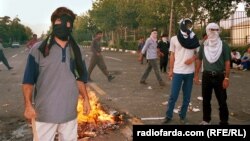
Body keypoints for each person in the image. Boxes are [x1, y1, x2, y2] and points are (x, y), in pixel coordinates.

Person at [22, 7, 91, 140]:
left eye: (67, 21)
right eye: (59, 20)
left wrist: (86, 99)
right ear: (53, 23)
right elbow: (28, 82)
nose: (64, 24)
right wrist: (28, 105)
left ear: (71, 25)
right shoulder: (38, 50)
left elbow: (79, 79)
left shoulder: (77, 51)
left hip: (69, 115)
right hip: (44, 116)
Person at [163, 18, 199, 124]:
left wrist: (192, 59)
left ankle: (182, 116)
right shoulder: (174, 39)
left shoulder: (193, 38)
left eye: (190, 25)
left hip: (189, 72)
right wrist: (171, 70)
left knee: (187, 97)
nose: (188, 27)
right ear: (182, 25)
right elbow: (172, 55)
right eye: (186, 25)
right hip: (178, 71)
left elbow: (199, 54)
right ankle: (168, 116)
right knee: (173, 95)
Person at [194, 23, 230, 125]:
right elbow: (199, 60)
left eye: (215, 30)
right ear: (207, 31)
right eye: (211, 30)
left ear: (218, 31)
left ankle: (224, 121)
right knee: (206, 100)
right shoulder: (204, 45)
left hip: (219, 76)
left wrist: (226, 78)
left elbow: (227, 62)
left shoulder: (224, 45)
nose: (213, 32)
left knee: (222, 101)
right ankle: (206, 120)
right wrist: (196, 75)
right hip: (206, 76)